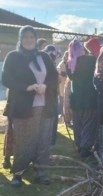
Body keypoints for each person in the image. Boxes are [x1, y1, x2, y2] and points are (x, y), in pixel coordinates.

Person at [2, 25, 58, 186]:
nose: (28, 40)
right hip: (22, 107)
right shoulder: (13, 56)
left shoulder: (44, 57)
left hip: (45, 106)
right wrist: (28, 87)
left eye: (31, 37)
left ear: (35, 39)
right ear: (20, 39)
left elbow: (54, 77)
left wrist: (46, 86)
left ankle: (41, 170)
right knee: (23, 140)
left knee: (43, 140)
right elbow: (6, 79)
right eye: (25, 37)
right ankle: (18, 173)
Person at [66, 39, 97, 158]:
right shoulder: (91, 60)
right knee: (88, 123)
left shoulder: (69, 63)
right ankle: (85, 148)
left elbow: (71, 78)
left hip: (76, 97)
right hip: (90, 96)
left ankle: (79, 145)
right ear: (82, 49)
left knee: (77, 123)